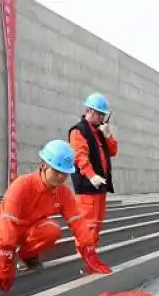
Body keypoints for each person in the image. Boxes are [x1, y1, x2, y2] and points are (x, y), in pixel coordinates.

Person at [0, 140, 112, 292]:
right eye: (56, 171)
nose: (61, 177)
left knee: (52, 230)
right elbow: (8, 220)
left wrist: (89, 249)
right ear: (43, 166)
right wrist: (5, 255)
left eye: (65, 174)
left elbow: (77, 221)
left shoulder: (62, 193)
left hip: (29, 230)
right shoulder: (22, 185)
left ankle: (27, 255)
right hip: (3, 229)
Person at [68, 92, 119, 248]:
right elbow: (80, 157)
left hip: (99, 187)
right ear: (89, 111)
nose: (103, 118)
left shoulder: (100, 131)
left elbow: (113, 151)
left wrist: (108, 136)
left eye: (104, 115)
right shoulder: (78, 131)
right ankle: (83, 258)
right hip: (87, 188)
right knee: (87, 226)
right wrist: (91, 176)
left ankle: (92, 255)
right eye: (100, 114)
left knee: (96, 225)